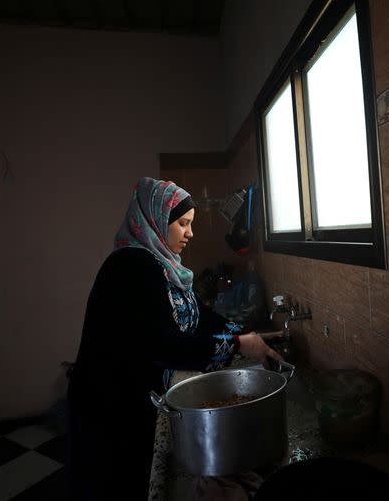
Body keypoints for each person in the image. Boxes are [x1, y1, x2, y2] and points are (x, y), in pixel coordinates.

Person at [66, 177, 282, 500]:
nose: (190, 233)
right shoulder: (131, 267)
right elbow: (164, 345)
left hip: (132, 404)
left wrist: (243, 335)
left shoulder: (162, 267)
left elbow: (194, 317)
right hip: (109, 412)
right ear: (155, 218)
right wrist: (237, 345)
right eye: (183, 223)